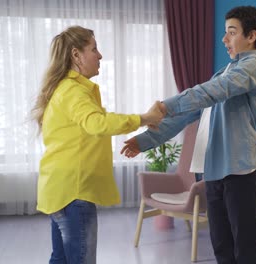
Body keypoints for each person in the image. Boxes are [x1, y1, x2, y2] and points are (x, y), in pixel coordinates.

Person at [122, 6, 256, 264]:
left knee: (245, 250)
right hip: (214, 172)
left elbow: (212, 91)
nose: (225, 39)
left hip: (241, 172)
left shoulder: (253, 66)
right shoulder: (223, 73)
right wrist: (143, 140)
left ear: (251, 36)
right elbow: (184, 117)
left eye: (231, 33)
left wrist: (166, 104)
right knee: (221, 247)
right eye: (225, 33)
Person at [31, 25, 164, 264]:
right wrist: (144, 118)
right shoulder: (73, 91)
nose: (100, 55)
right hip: (74, 191)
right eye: (94, 49)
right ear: (76, 55)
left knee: (60, 260)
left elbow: (94, 122)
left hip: (61, 189)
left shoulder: (68, 89)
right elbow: (98, 124)